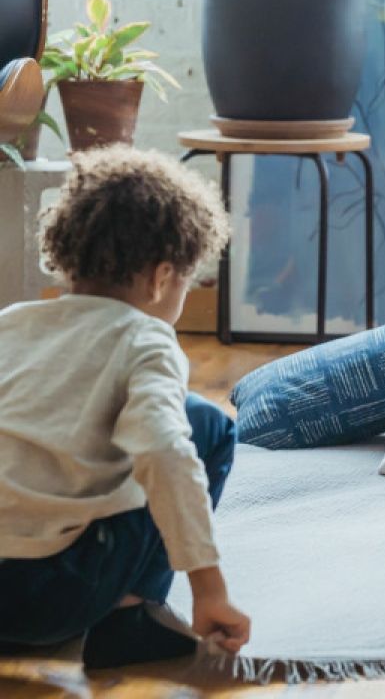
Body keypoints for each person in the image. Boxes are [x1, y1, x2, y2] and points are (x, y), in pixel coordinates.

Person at [0, 146, 251, 668]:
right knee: (205, 426)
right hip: (51, 598)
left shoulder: (11, 323)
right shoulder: (145, 339)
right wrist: (209, 587)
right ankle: (130, 620)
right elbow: (163, 450)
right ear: (162, 278)